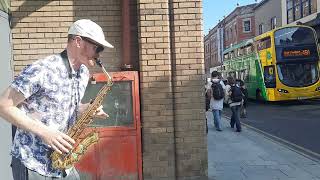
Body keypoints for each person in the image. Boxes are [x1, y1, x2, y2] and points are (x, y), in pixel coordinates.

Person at [0, 19, 114, 180]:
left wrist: (87, 109)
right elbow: (4, 105)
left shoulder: (83, 74)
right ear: (78, 41)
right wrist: (45, 132)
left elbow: (62, 107)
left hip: (62, 162)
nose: (99, 54)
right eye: (97, 47)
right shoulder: (43, 69)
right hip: (32, 162)